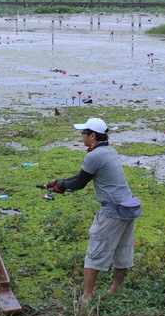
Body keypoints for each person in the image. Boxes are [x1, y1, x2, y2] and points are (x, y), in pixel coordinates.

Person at [46, 117, 142, 302]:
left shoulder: (94, 156)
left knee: (95, 251)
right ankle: (115, 290)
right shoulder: (110, 151)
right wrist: (61, 184)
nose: (82, 136)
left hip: (113, 210)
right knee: (122, 250)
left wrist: (59, 184)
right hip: (128, 207)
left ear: (92, 135)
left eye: (84, 133)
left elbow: (80, 182)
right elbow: (80, 177)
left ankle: (86, 297)